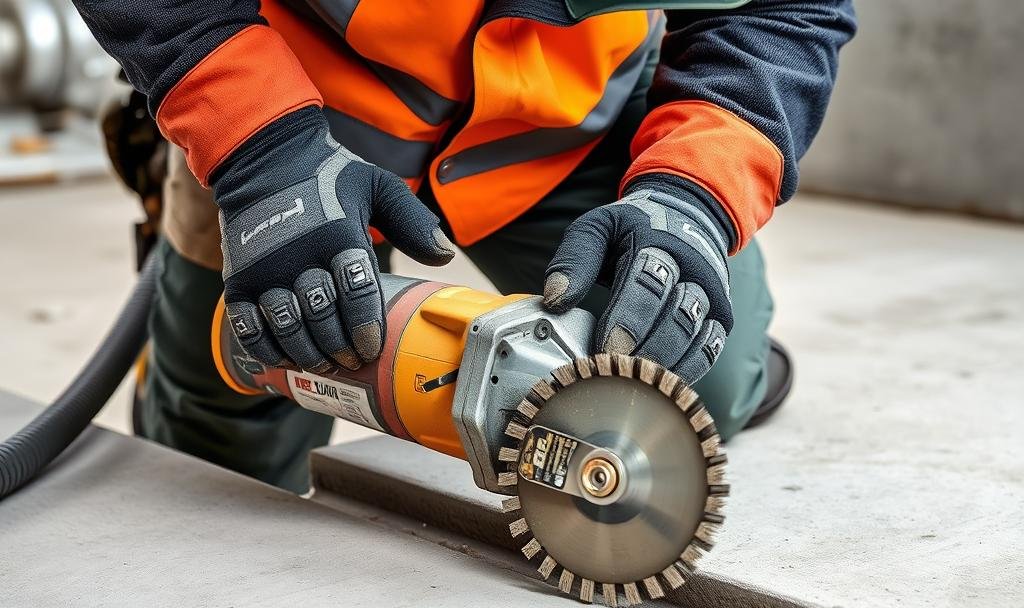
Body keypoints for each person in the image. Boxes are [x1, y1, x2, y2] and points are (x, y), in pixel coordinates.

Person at [75, 0, 856, 492]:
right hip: (292, 117)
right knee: (221, 446)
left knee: (690, 385)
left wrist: (692, 195)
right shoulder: (271, 139)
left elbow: (791, 8)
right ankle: (179, 151)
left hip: (567, 129)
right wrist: (252, 145)